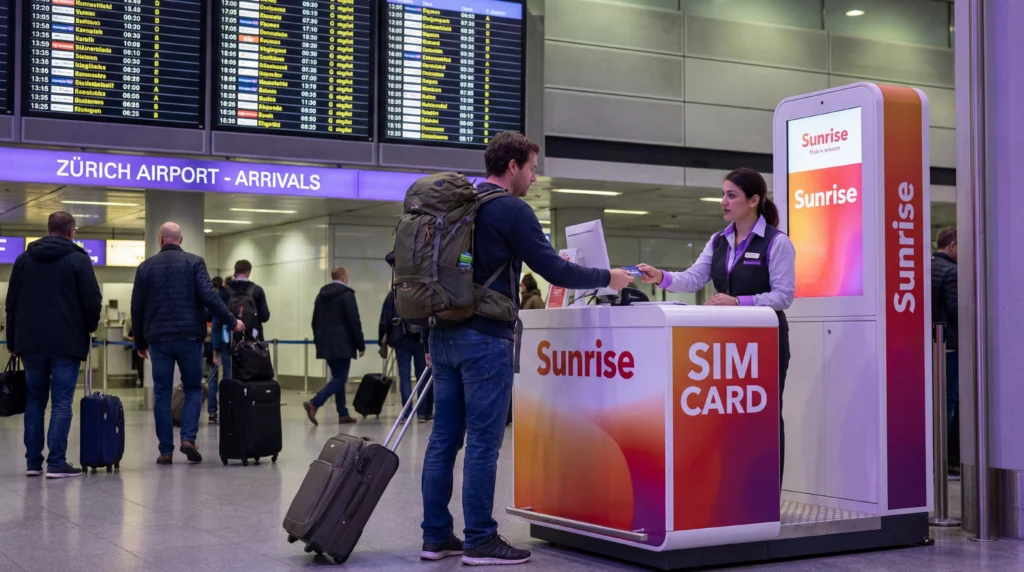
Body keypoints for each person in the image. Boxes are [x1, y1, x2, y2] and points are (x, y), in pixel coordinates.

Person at [418, 131, 634, 566]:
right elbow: (552, 268)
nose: (534, 177)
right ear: (513, 166)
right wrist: (606, 277)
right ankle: (480, 540)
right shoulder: (511, 210)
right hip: (484, 340)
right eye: (532, 168)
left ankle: (436, 537)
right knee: (483, 441)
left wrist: (429, 337)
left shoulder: (458, 208)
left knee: (443, 439)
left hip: (442, 336)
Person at [637, 167, 795, 482]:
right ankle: (733, 493)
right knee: (730, 418)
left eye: (731, 195)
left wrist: (739, 302)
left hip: (765, 342)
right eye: (723, 194)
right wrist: (662, 277)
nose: (723, 201)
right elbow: (695, 277)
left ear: (753, 200)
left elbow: (783, 296)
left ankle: (766, 494)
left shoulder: (777, 243)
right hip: (728, 345)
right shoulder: (719, 240)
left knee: (763, 418)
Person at [131, 222, 242, 465]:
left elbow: (137, 307)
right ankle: (188, 439)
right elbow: (209, 297)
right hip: (190, 337)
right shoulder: (194, 262)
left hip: (158, 339)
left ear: (161, 239)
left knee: (161, 393)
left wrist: (139, 342)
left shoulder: (145, 267)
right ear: (180, 240)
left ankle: (165, 451)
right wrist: (232, 322)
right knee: (192, 388)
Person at [6, 212, 102, 478]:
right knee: (61, 402)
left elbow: (11, 304)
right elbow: (92, 300)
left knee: (35, 402)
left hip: (31, 342)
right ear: (71, 231)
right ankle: (57, 462)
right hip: (66, 342)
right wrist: (90, 326)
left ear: (48, 229)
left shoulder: (24, 259)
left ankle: (33, 463)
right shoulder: (78, 259)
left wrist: (13, 340)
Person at [211, 260, 271, 423]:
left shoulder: (224, 292)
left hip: (228, 341)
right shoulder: (256, 291)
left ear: (235, 271)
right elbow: (265, 316)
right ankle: (249, 410)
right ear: (249, 272)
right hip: (252, 342)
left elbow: (216, 320)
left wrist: (215, 349)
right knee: (251, 376)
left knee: (229, 377)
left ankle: (226, 412)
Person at [304, 267, 365, 425]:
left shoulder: (321, 296)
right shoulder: (347, 295)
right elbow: (354, 321)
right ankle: (314, 403)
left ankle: (343, 413)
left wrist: (319, 341)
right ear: (343, 277)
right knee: (340, 378)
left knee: (338, 377)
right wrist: (360, 344)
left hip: (326, 344)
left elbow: (314, 321)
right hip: (343, 344)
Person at [379, 289, 432, 422]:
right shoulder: (422, 291)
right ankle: (421, 413)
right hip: (420, 340)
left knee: (405, 377)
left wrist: (384, 339)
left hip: (401, 339)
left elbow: (386, 318)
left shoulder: (394, 293)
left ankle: (407, 413)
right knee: (422, 378)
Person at [931, 226, 959, 475]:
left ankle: (934, 458)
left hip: (933, 345)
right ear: (951, 245)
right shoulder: (952, 272)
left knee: (934, 401)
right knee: (948, 403)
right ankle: (942, 460)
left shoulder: (927, 266)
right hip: (949, 345)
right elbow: (955, 308)